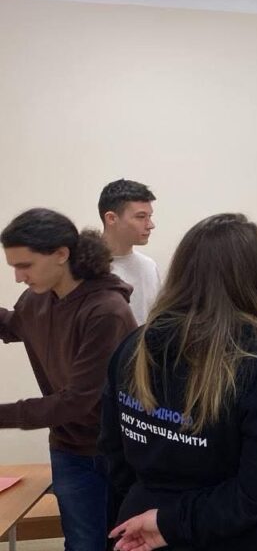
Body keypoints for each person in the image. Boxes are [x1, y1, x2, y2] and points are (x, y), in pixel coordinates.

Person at [101, 213, 257, 551]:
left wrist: (160, 513)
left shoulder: (133, 346)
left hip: (143, 527)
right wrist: (169, 521)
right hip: (228, 536)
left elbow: (112, 454)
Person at [0, 208, 136, 550]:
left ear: (61, 254)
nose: (18, 277)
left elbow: (77, 400)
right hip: (69, 448)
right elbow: (15, 325)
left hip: (118, 452)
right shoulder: (35, 300)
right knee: (82, 544)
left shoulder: (106, 311)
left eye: (25, 265)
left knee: (121, 543)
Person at [99, 179, 160, 325]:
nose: (150, 225)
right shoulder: (83, 269)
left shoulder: (149, 267)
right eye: (141, 217)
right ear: (111, 218)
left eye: (149, 217)